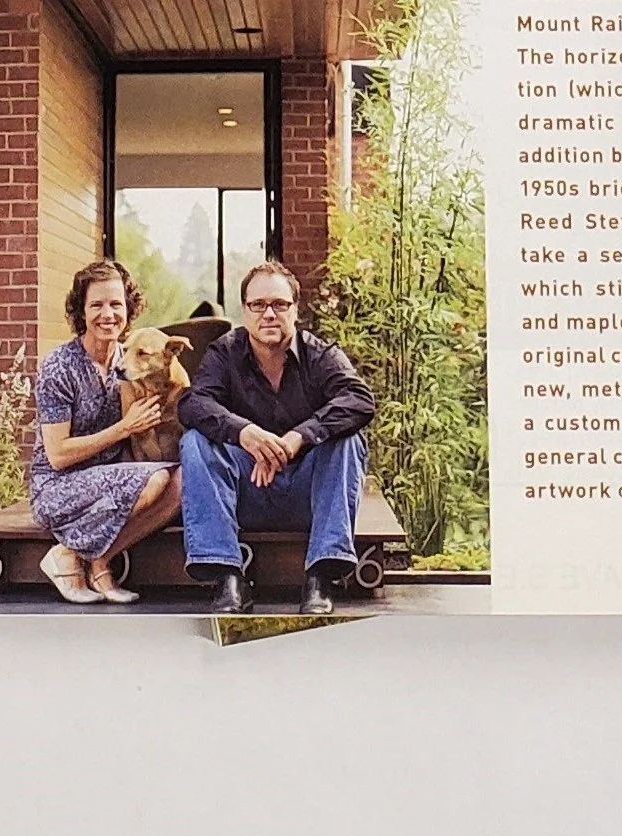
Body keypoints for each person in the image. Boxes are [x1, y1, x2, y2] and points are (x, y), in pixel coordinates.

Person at [176, 258, 375, 618]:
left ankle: (320, 576)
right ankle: (227, 576)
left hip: (307, 494)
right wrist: (244, 433)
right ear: (245, 310)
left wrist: (301, 435)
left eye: (279, 304)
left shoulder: (320, 354)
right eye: (258, 305)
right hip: (244, 490)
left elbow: (359, 399)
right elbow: (193, 403)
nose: (269, 314)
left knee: (348, 441)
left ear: (294, 310)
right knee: (195, 442)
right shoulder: (225, 351)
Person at [28, 258, 181, 605]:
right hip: (57, 486)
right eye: (96, 305)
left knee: (181, 483)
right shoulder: (59, 366)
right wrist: (123, 429)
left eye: (116, 304)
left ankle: (96, 559)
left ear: (129, 309)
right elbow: (58, 455)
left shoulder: (128, 362)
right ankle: (72, 556)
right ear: (81, 311)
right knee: (156, 479)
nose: (107, 314)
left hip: (111, 478)